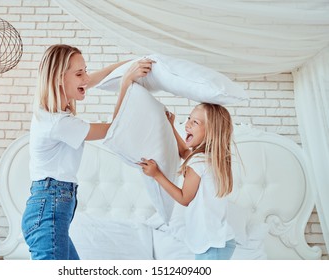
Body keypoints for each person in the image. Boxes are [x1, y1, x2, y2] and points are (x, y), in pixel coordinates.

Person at [21, 44, 154, 260]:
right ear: (58, 78)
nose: (86, 78)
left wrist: (131, 65)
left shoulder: (50, 111)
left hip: (49, 207)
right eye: (79, 73)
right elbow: (113, 130)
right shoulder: (58, 123)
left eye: (85, 70)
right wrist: (126, 82)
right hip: (48, 209)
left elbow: (98, 78)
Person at [139, 103, 236, 260]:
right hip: (219, 241)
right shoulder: (213, 159)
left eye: (195, 122)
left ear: (210, 132)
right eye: (189, 118)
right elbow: (184, 151)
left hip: (211, 245)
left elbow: (184, 198)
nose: (187, 124)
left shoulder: (198, 162)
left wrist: (157, 175)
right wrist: (170, 126)